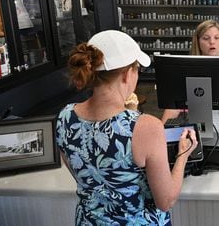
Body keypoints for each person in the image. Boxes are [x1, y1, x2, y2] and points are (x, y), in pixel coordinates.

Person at [56, 30, 198, 225]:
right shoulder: (145, 127)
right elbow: (166, 201)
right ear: (126, 74)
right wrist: (183, 154)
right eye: (137, 69)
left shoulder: (65, 116)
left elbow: (82, 174)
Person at [162, 20, 219, 123]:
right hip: (194, 124)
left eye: (216, 38)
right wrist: (164, 130)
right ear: (197, 42)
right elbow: (173, 106)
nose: (212, 42)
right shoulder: (185, 70)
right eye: (206, 38)